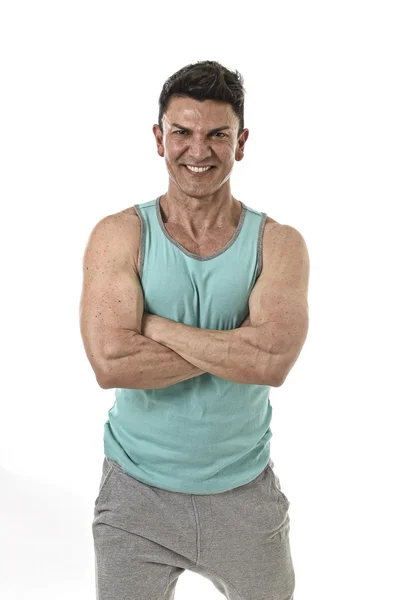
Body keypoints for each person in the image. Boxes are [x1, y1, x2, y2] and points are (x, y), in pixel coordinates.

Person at [80, 59, 310, 600]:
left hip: (244, 494)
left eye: (217, 135)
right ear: (159, 139)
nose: (198, 150)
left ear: (242, 142)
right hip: (135, 495)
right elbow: (111, 364)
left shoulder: (278, 244)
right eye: (182, 132)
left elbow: (273, 363)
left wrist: (155, 328)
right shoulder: (119, 235)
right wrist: (241, 344)